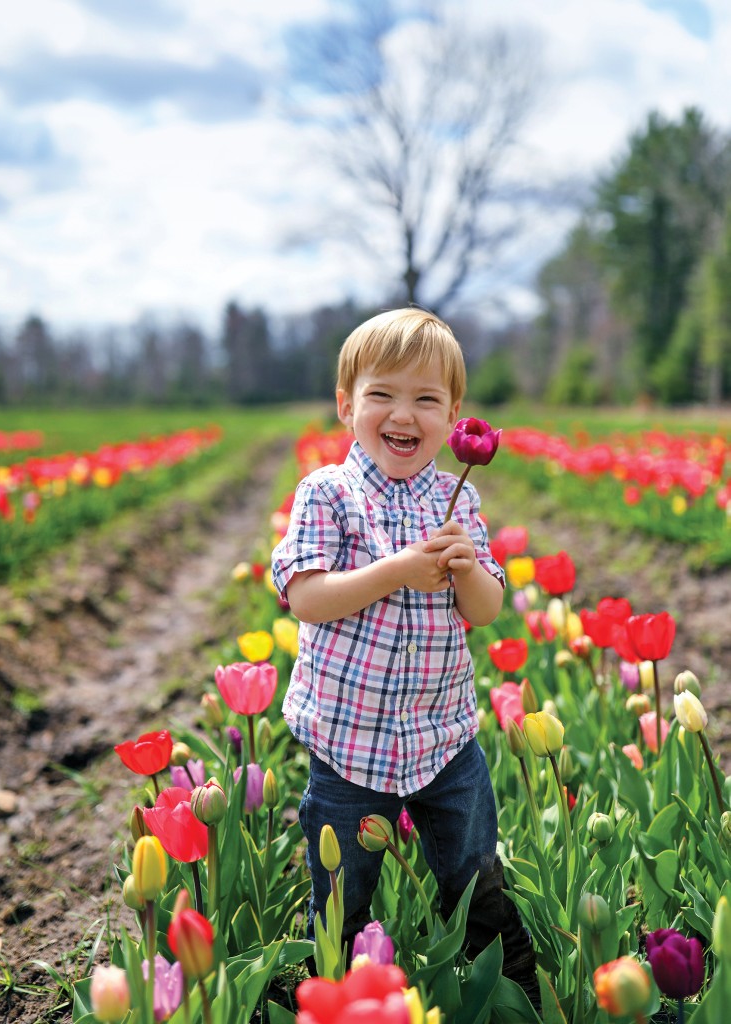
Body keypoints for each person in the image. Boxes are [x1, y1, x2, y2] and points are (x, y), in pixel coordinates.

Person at [271, 308, 541, 1011]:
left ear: (454, 416)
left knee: (475, 874)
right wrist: (394, 570)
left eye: (425, 399)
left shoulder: (460, 500)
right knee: (343, 892)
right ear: (346, 405)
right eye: (382, 395)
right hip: (348, 745)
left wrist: (467, 571)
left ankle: (508, 990)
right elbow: (306, 597)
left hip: (444, 739)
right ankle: (339, 993)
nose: (403, 414)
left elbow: (483, 611)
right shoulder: (327, 494)